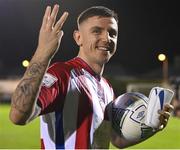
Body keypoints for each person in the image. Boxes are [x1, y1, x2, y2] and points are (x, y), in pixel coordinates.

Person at [9, 4, 173, 149]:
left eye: (112, 33)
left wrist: (153, 127)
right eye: (96, 31)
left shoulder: (106, 87)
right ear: (78, 37)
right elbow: (18, 115)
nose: (106, 38)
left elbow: (116, 140)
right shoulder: (62, 74)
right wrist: (42, 53)